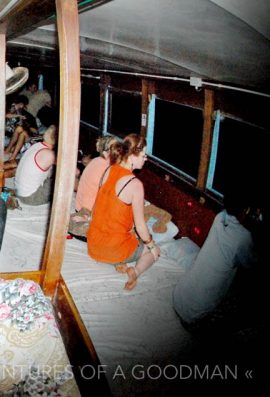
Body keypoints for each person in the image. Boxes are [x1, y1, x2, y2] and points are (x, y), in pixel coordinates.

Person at [173, 184, 261, 329]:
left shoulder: (220, 217)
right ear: (246, 210)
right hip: (193, 314)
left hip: (179, 297)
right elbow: (251, 263)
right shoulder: (243, 238)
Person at [87, 134, 158, 290]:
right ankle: (135, 271)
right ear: (132, 155)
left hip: (93, 245)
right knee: (152, 251)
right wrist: (152, 245)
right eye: (144, 155)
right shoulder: (135, 184)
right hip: (112, 249)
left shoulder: (108, 170)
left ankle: (119, 262)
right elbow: (140, 228)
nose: (145, 159)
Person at [13, 125, 57, 205]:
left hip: (19, 191)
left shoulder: (37, 145)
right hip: (30, 198)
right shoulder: (49, 154)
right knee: (63, 176)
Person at [75, 135, 119, 212]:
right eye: (114, 149)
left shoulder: (96, 160)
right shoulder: (106, 167)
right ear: (105, 152)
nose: (118, 151)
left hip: (79, 205)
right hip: (88, 211)